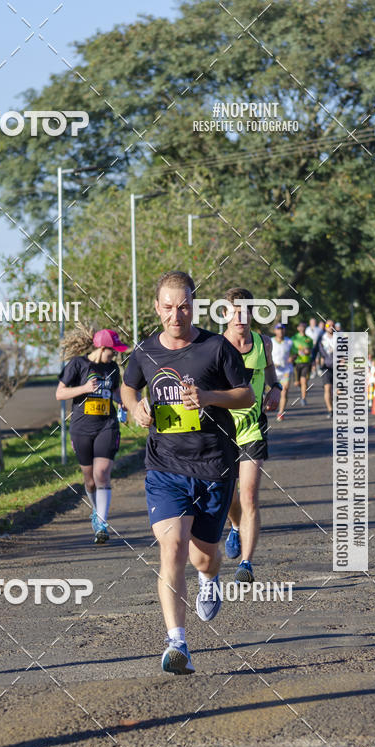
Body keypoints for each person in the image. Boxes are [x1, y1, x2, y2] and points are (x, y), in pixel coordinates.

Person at [121, 270, 254, 675]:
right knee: (173, 547)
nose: (175, 315)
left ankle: (209, 580)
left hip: (213, 466)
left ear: (193, 306)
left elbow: (246, 395)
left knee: (204, 558)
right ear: (156, 307)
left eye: (183, 307)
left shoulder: (216, 348)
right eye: (168, 307)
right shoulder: (144, 351)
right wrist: (135, 407)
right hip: (165, 467)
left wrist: (209, 397)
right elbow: (128, 387)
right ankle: (177, 643)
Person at [221, 290, 281, 583]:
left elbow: (269, 370)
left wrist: (276, 387)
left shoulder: (263, 343)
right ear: (225, 314)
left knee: (249, 496)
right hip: (222, 430)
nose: (240, 318)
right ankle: (235, 526)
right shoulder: (215, 346)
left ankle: (246, 563)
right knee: (228, 495)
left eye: (245, 312)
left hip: (253, 428)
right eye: (235, 312)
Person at [56, 325, 128, 543]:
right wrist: (85, 389)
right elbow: (60, 393)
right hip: (81, 428)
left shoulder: (112, 368)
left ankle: (102, 523)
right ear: (102, 348)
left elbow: (115, 391)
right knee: (90, 481)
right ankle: (96, 513)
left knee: (102, 473)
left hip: (107, 425)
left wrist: (122, 402)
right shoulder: (78, 364)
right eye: (113, 350)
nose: (115, 354)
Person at [270, 322, 294, 420]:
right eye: (278, 329)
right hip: (273, 371)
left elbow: (295, 353)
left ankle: (281, 412)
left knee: (284, 391)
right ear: (275, 331)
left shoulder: (289, 342)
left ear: (284, 330)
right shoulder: (270, 341)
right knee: (272, 392)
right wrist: (272, 363)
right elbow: (266, 355)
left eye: (282, 329)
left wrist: (293, 357)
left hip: (286, 370)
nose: (280, 331)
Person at [313, 319, 336, 418]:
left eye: (332, 325)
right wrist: (313, 362)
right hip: (326, 366)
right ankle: (330, 410)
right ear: (325, 327)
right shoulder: (321, 338)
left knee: (338, 391)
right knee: (327, 389)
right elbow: (315, 351)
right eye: (328, 325)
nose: (330, 327)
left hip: (339, 367)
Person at [291, 321, 313, 406]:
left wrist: (308, 351)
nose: (302, 328)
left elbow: (311, 350)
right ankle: (301, 388)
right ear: (298, 328)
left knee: (304, 381)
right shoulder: (294, 338)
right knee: (297, 383)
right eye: (300, 327)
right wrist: (297, 353)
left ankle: (303, 398)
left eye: (304, 327)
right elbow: (290, 350)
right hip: (296, 363)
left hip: (306, 362)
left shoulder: (309, 339)